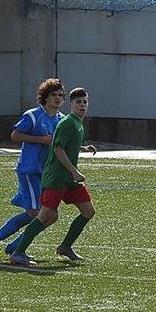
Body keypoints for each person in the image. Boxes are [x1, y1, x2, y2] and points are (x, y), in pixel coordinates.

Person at [9, 87, 98, 266]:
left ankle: (65, 247)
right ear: (71, 105)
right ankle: (17, 253)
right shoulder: (68, 123)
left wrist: (82, 148)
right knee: (44, 216)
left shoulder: (77, 123)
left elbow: (64, 144)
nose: (82, 105)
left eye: (85, 102)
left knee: (88, 211)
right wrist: (74, 171)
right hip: (56, 178)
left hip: (68, 179)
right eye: (78, 102)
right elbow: (57, 148)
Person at [0, 78, 66, 263]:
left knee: (51, 215)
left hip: (46, 173)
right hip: (29, 169)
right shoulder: (34, 115)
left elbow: (62, 144)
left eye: (61, 95)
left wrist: (83, 148)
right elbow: (15, 135)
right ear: (45, 97)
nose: (58, 98)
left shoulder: (61, 120)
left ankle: (13, 246)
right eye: (54, 95)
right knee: (37, 213)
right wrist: (41, 140)